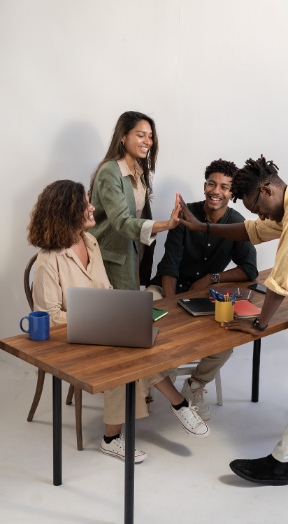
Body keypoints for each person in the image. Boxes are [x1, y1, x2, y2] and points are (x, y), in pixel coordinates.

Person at [177, 155, 288, 485]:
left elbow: (282, 278)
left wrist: (259, 324)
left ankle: (279, 465)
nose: (259, 215)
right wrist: (201, 226)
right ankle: (280, 463)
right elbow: (251, 232)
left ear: (266, 190)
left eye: (257, 206)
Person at [28, 181, 210, 464]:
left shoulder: (90, 241)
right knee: (125, 355)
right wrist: (102, 316)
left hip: (100, 326)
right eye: (85, 204)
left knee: (141, 338)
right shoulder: (48, 261)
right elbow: (50, 318)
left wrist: (116, 311)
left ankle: (116, 435)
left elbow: (105, 290)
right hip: (69, 336)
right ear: (66, 212)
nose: (92, 208)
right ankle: (176, 405)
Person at [147, 159, 258, 420]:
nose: (216, 190)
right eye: (211, 183)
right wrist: (174, 306)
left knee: (227, 339)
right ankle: (157, 375)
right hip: (167, 288)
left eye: (224, 186)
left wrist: (213, 278)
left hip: (205, 295)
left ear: (232, 193)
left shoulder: (237, 223)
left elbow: (249, 269)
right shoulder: (185, 216)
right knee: (143, 316)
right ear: (204, 185)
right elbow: (170, 265)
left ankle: (195, 385)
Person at [88, 110, 180, 290]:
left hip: (134, 253)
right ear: (123, 137)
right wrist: (167, 224)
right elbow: (122, 222)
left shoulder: (138, 170)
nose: (148, 141)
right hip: (113, 258)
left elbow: (137, 215)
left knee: (132, 310)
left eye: (150, 136)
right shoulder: (110, 171)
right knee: (120, 314)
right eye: (141, 135)